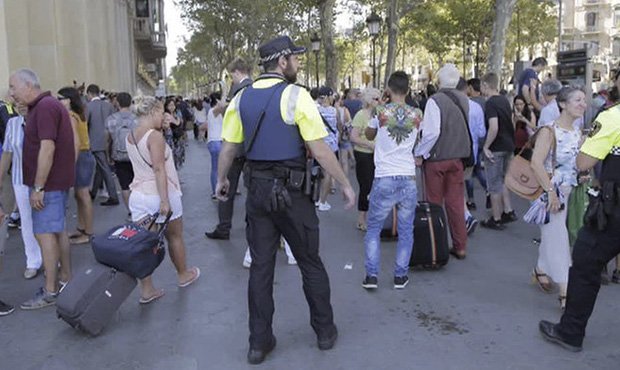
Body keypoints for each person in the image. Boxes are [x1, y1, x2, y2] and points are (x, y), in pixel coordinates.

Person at [215, 35, 355, 364]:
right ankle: (324, 332)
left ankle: (258, 343)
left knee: (261, 268)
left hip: (258, 194)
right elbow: (320, 148)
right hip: (293, 195)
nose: (298, 63)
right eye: (295, 58)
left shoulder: (240, 98)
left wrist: (222, 180)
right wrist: (345, 183)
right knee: (310, 263)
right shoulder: (297, 95)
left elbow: (229, 147)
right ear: (282, 62)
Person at [538, 88, 620, 352]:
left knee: (585, 263)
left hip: (613, 210)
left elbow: (583, 162)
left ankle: (570, 331)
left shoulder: (612, 118)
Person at [10, 68, 76, 310]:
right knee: (56, 231)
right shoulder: (46, 106)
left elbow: (47, 148)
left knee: (45, 234)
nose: (11, 93)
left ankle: (50, 290)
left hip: (48, 186)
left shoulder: (45, 107)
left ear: (29, 85)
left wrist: (38, 186)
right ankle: (65, 279)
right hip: (53, 184)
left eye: (13, 87)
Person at [126, 96, 200, 304]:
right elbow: (159, 168)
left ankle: (147, 289)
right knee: (175, 236)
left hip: (138, 194)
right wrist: (164, 201)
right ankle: (183, 274)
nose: (164, 116)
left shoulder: (131, 135)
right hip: (158, 194)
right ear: (151, 113)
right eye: (160, 113)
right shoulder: (154, 137)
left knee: (143, 243)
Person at [362, 71, 421, 289]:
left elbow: (368, 135)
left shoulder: (380, 111)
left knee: (374, 228)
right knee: (406, 230)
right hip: (407, 175)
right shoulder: (417, 114)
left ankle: (371, 276)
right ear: (407, 90)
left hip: (384, 175)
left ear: (388, 88)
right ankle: (400, 276)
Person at [530, 86, 585, 310]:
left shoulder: (577, 132)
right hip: (549, 193)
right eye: (578, 100)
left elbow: (575, 164)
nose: (583, 104)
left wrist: (582, 174)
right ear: (563, 104)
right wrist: (551, 192)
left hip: (569, 191)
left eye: (584, 100)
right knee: (559, 237)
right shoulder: (548, 131)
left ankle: (541, 269)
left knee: (554, 233)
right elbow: (536, 163)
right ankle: (565, 290)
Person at [414, 64, 473, 260]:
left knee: (434, 203)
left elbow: (432, 133)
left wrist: (420, 153)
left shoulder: (435, 101)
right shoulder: (464, 100)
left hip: (437, 158)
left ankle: (436, 244)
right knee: (456, 202)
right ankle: (460, 246)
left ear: (439, 81)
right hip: (457, 158)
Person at [205, 58, 253, 240]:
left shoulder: (237, 91)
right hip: (251, 149)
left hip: (235, 147)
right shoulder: (255, 89)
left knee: (225, 187)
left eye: (230, 76)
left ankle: (223, 227)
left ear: (236, 72)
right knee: (252, 190)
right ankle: (252, 225)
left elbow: (230, 118)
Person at [0, 103, 42, 279]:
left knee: (45, 220)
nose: (21, 107)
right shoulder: (13, 124)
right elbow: (7, 153)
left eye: (24, 104)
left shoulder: (41, 121)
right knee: (26, 221)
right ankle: (32, 261)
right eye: (17, 104)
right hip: (20, 179)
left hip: (42, 179)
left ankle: (51, 258)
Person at [479, 72, 517, 230]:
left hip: (496, 147)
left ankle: (496, 218)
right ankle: (508, 210)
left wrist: (486, 146)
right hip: (509, 145)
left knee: (493, 184)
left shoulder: (490, 103)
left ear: (486, 85)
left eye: (482, 86)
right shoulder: (504, 100)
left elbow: (493, 127)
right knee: (504, 180)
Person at [58, 87, 93, 245]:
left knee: (83, 195)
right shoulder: (78, 114)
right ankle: (82, 228)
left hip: (81, 157)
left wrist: (70, 164)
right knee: (79, 195)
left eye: (61, 98)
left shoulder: (71, 116)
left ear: (69, 100)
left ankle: (88, 232)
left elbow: (76, 143)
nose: (58, 101)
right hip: (84, 156)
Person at [349, 88, 380, 231]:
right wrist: (368, 144)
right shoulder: (361, 115)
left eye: (379, 98)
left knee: (378, 187)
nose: (379, 101)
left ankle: (376, 218)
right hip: (364, 155)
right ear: (368, 100)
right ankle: (361, 218)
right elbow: (353, 137)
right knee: (366, 186)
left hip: (378, 155)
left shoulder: (381, 115)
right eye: (375, 99)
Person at [86, 84, 119, 206]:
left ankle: (113, 195)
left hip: (95, 141)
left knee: (104, 169)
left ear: (89, 94)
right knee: (101, 168)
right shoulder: (109, 106)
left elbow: (86, 124)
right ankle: (93, 192)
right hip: (109, 140)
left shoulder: (88, 106)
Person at [106, 92, 137, 218]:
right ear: (130, 103)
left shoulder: (111, 119)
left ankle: (131, 211)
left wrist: (109, 156)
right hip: (136, 155)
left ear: (117, 103)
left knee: (124, 185)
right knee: (137, 183)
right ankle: (139, 210)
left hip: (118, 155)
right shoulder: (137, 118)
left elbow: (107, 140)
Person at [316, 86, 340, 211]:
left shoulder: (315, 109)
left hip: (317, 144)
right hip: (331, 146)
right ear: (328, 96)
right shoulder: (334, 111)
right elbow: (339, 126)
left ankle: (316, 198)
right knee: (328, 174)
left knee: (317, 172)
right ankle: (322, 201)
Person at [201, 92, 223, 199]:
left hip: (214, 142)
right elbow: (222, 106)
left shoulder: (212, 112)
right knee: (218, 168)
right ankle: (217, 190)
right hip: (216, 141)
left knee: (216, 168)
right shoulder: (213, 111)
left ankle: (216, 190)